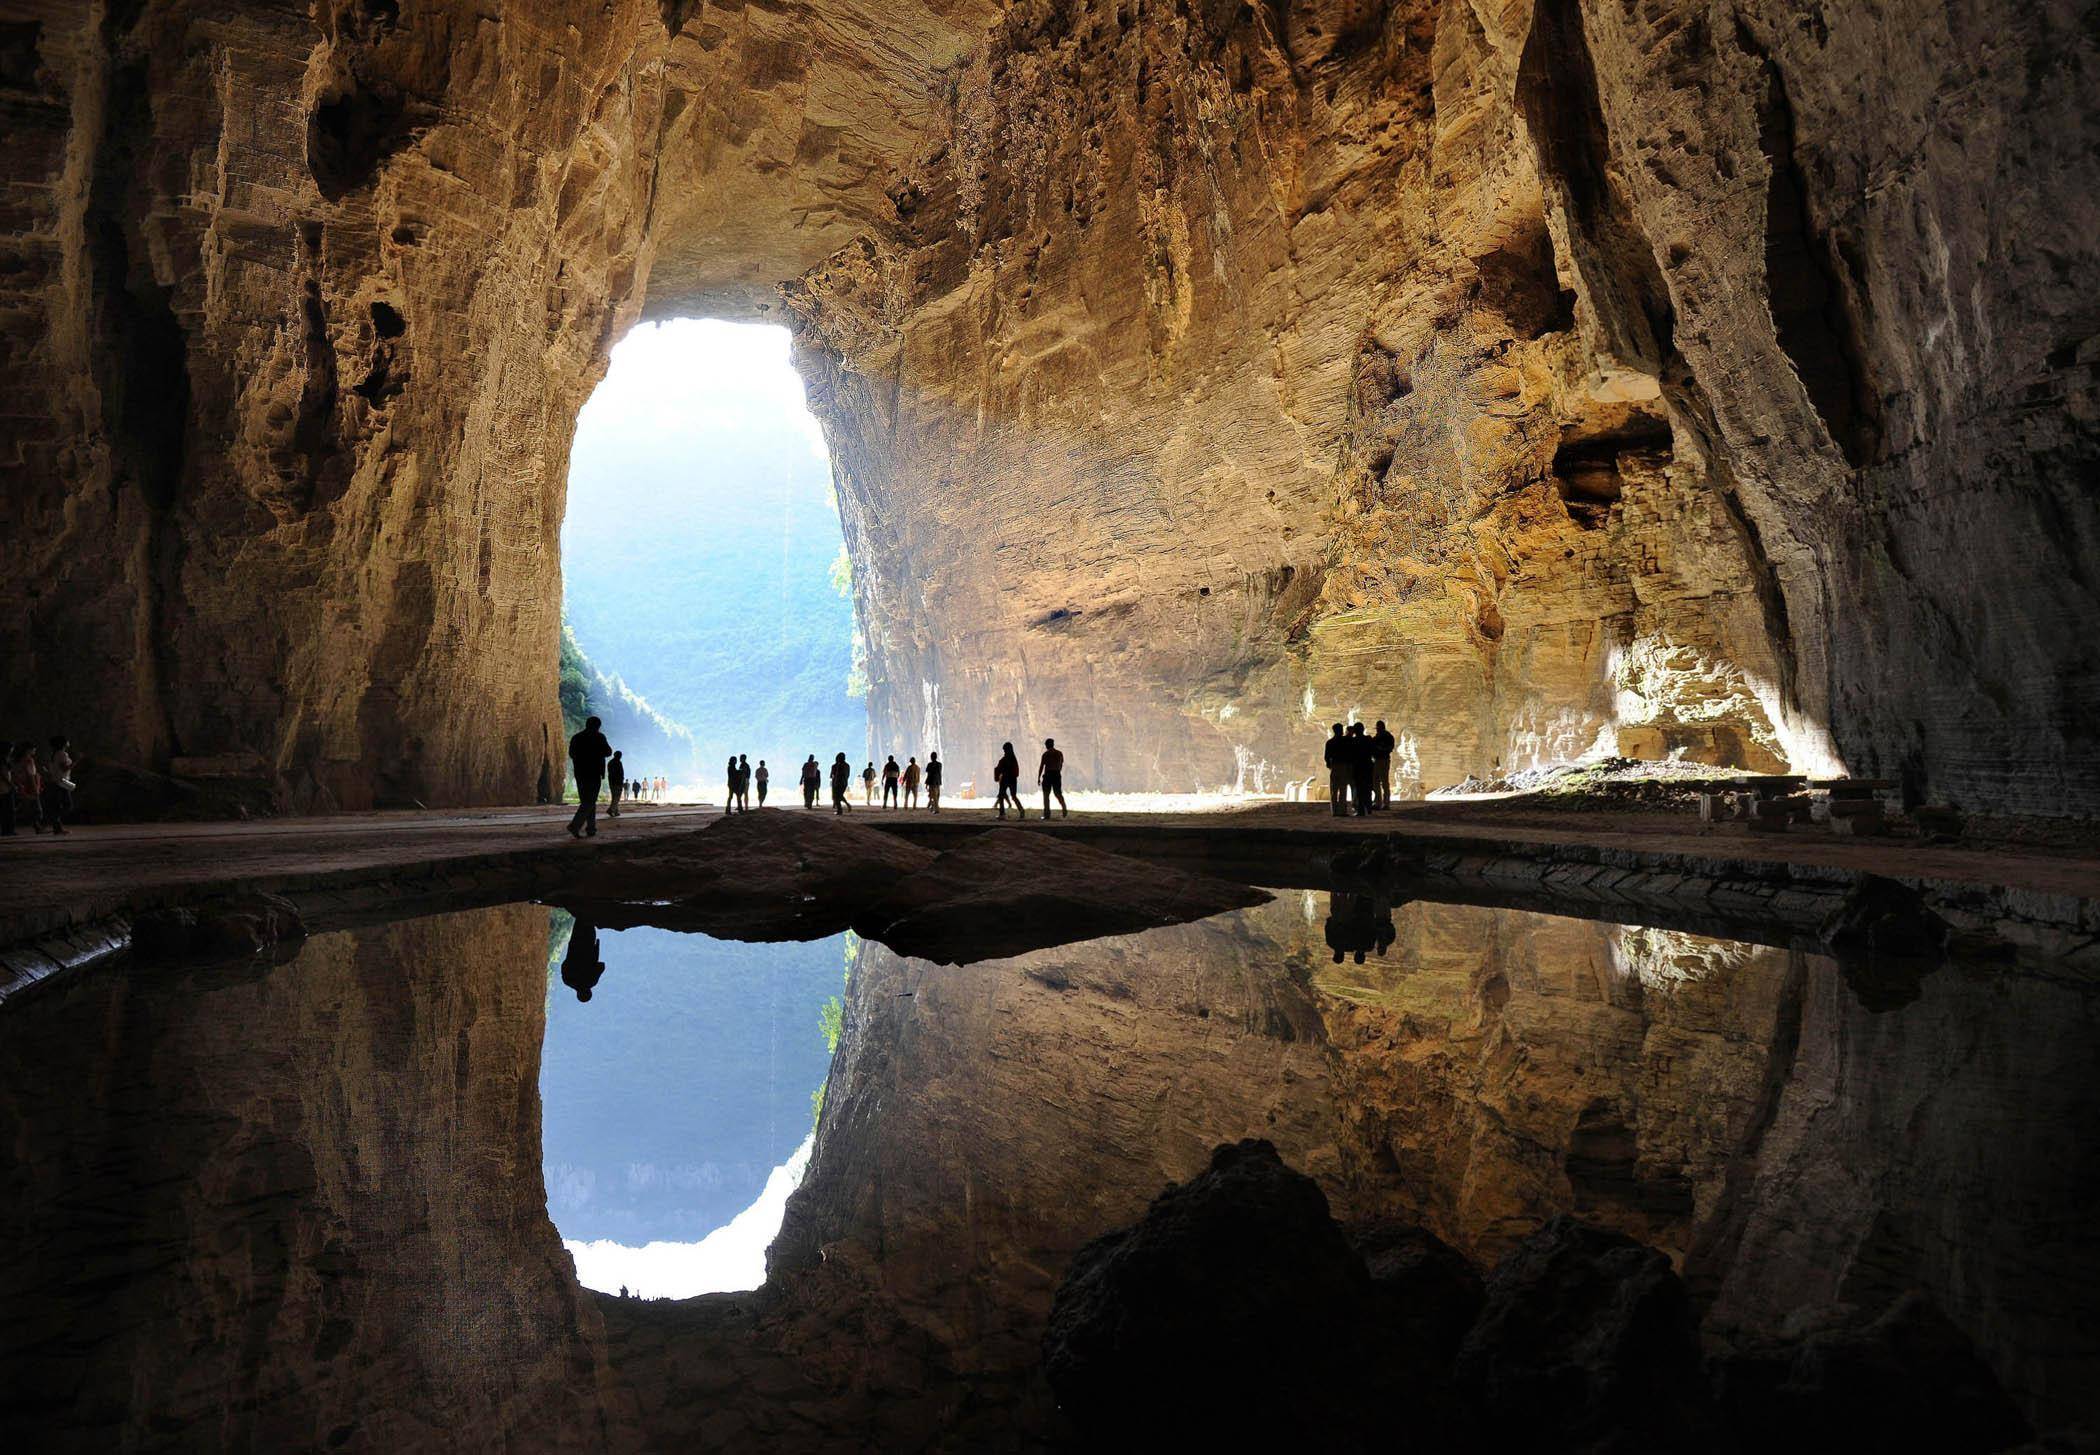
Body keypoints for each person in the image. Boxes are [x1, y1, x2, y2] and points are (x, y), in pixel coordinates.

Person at [567, 716, 612, 838]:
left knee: (588, 801)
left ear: (586, 724)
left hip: (580, 773)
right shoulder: (599, 737)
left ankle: (591, 828)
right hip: (594, 773)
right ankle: (575, 825)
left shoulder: (576, 737)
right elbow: (609, 752)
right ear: (598, 726)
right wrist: (596, 753)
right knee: (590, 801)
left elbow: (571, 754)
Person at [560, 920, 605, 1002]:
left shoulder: (591, 981)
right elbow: (564, 965)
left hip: (589, 943)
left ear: (589, 992)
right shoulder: (568, 980)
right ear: (578, 994)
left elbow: (601, 966)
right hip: (575, 944)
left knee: (588, 920)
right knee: (580, 920)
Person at [9, 742, 42, 834]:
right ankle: (37, 826)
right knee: (36, 808)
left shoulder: (15, 760)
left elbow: (14, 774)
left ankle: (37, 826)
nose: (35, 750)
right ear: (28, 750)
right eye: (33, 749)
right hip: (29, 785)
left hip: (20, 784)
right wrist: (36, 787)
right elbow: (30, 775)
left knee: (28, 806)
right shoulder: (29, 760)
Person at [45, 734, 74, 834]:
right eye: (67, 741)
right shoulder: (62, 754)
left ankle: (57, 827)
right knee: (67, 805)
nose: (68, 742)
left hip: (56, 781)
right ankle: (51, 819)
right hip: (62, 781)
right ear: (63, 743)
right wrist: (78, 760)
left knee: (59, 805)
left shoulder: (53, 754)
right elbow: (64, 768)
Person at [1346, 722, 1375, 817]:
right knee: (1367, 787)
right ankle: (1368, 807)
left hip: (1357, 766)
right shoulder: (1368, 739)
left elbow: (1350, 754)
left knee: (1358, 788)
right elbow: (1373, 751)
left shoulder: (1353, 741)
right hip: (1367, 765)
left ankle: (1361, 810)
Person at [1037, 737, 1068, 818]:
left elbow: (1041, 767)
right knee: (1058, 793)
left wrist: (1039, 778)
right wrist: (1058, 772)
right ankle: (1064, 807)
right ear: (1053, 744)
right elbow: (1061, 764)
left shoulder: (1045, 754)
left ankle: (1047, 814)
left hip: (1048, 775)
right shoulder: (1059, 753)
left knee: (1046, 795)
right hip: (1056, 774)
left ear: (1047, 745)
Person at [993, 741, 1025, 819]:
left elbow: (999, 769)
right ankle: (1021, 810)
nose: (1004, 751)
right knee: (1013, 796)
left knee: (1001, 796)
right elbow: (1016, 771)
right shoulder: (1013, 759)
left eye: (1004, 750)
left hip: (1005, 779)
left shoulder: (1005, 759)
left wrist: (998, 775)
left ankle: (1002, 814)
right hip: (1013, 779)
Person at [1324, 723, 1348, 817]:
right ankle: (1342, 811)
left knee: (1334, 790)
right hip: (1343, 766)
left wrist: (1330, 765)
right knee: (1343, 789)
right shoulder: (1345, 742)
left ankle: (1334, 811)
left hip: (1334, 767)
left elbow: (1326, 757)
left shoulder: (1330, 742)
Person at [1371, 720, 1396, 809]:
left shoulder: (1382, 737)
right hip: (1382, 760)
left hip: (1381, 760)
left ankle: (1381, 803)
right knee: (1381, 782)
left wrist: (1379, 749)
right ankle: (1384, 803)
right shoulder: (1388, 736)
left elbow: (1388, 748)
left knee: (1379, 782)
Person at [606, 750, 626, 817]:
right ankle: (611, 810)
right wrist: (621, 782)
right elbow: (620, 774)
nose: (620, 757)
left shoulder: (610, 762)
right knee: (617, 797)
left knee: (614, 797)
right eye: (620, 755)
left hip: (611, 782)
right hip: (617, 782)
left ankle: (616, 811)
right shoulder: (618, 762)